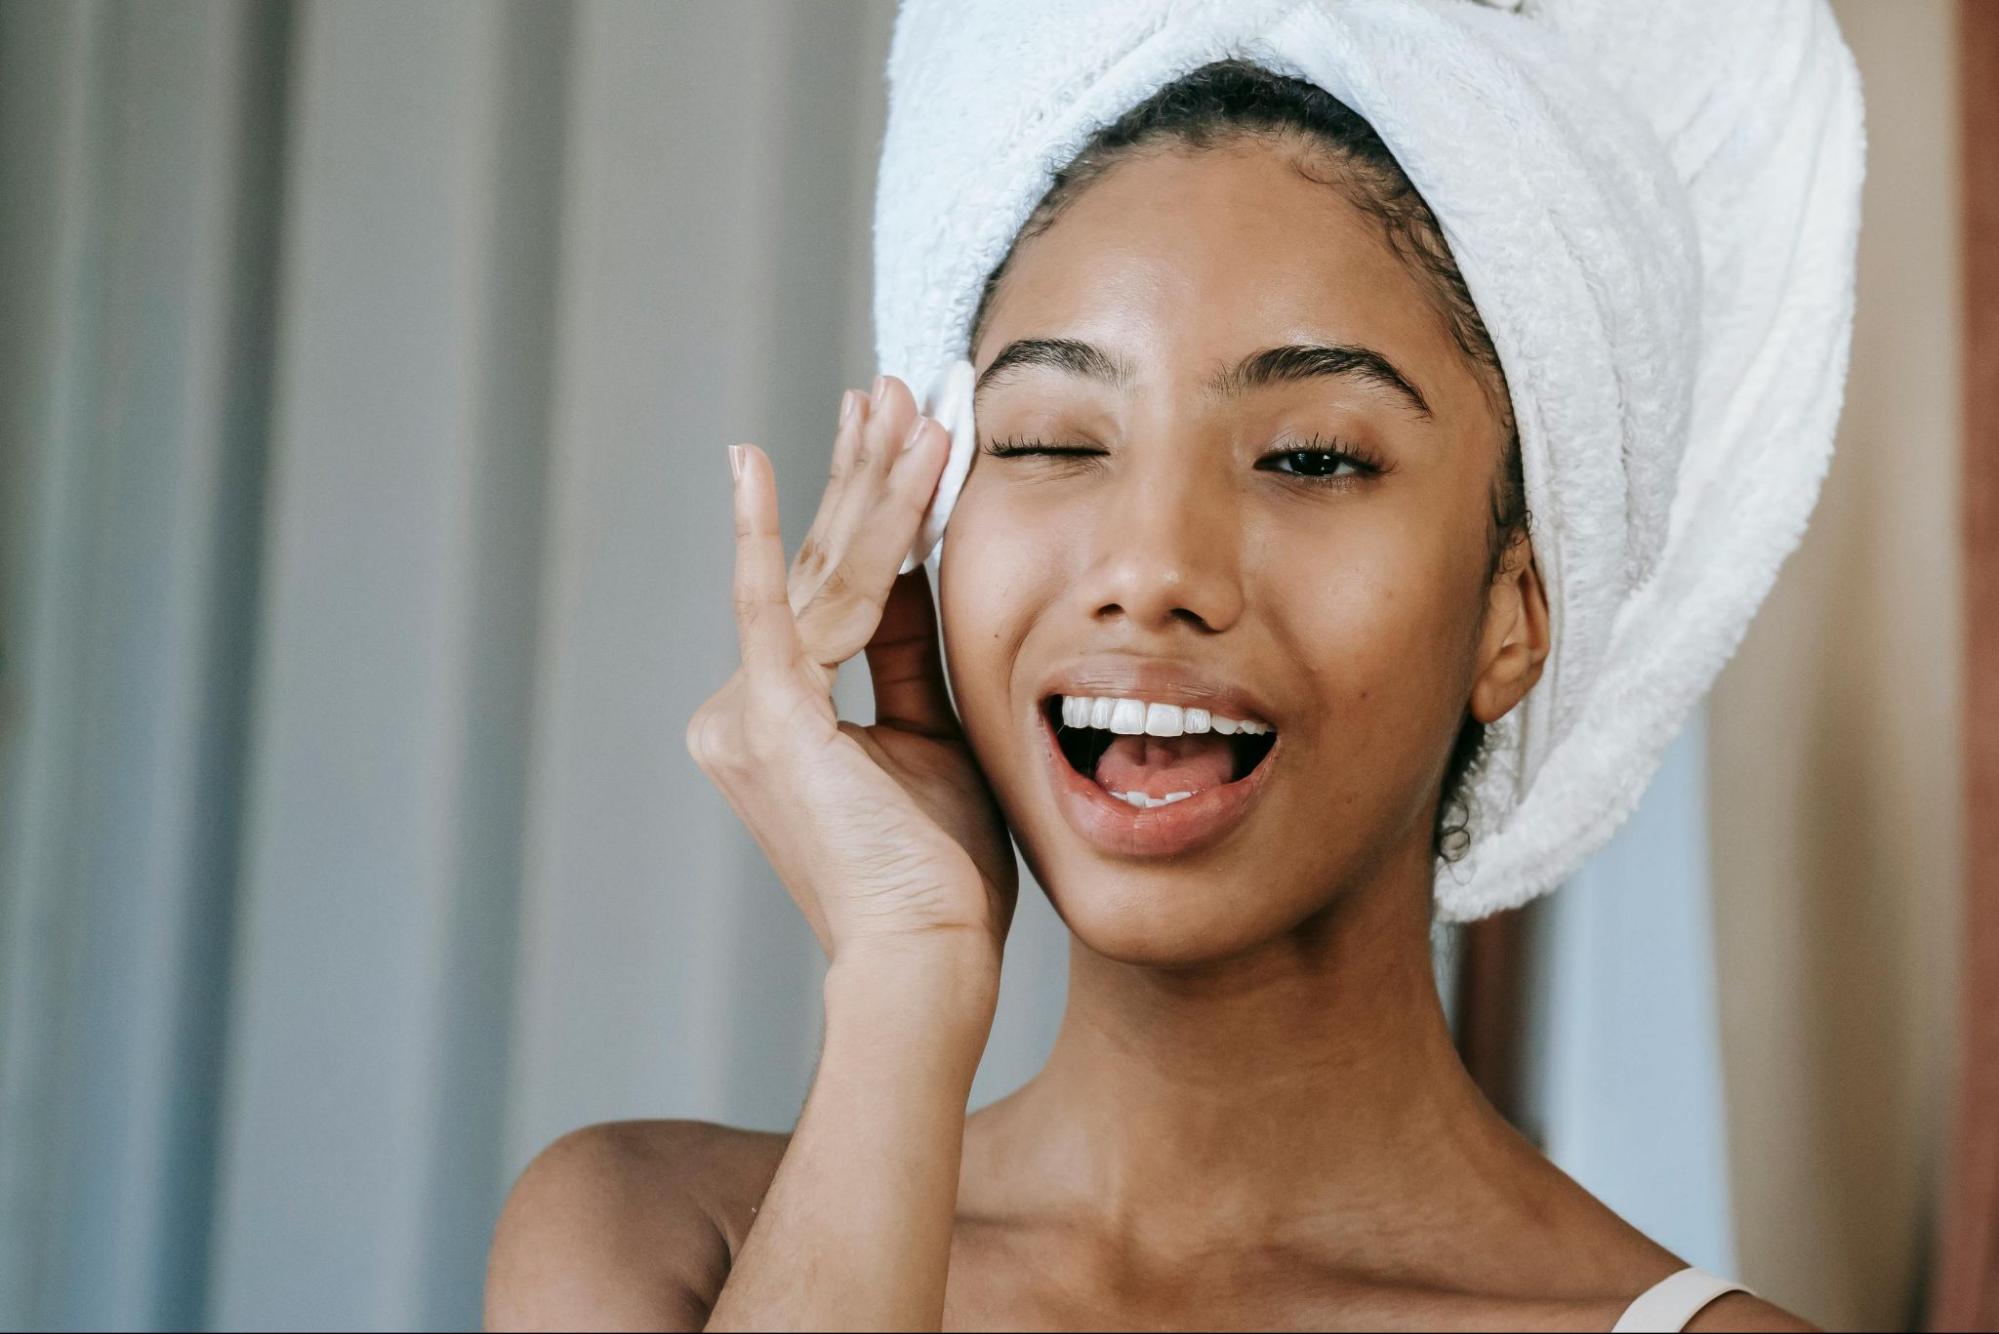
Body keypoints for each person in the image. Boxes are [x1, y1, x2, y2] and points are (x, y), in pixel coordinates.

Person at [484, 62, 1813, 1332]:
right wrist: (903, 975)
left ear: (1514, 613)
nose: (1150, 568)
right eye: (1054, 440)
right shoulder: (655, 1240)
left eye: (1309, 456)